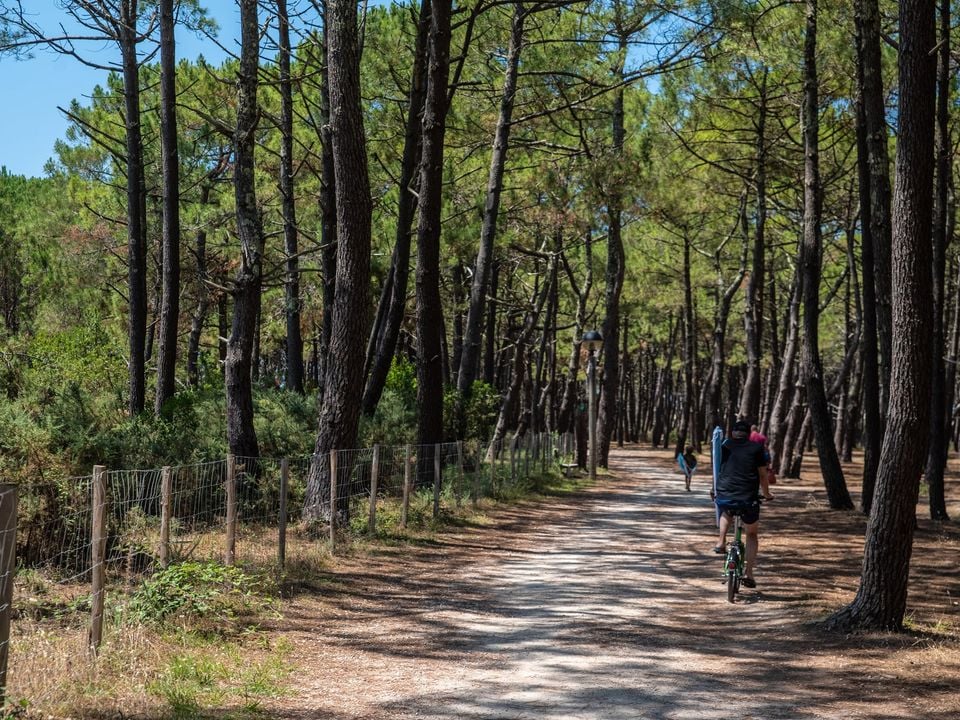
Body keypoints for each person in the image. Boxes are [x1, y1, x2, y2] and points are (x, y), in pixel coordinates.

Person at [711, 419, 773, 589]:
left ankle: (721, 542)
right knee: (751, 533)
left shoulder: (724, 445)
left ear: (733, 433)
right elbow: (762, 475)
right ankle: (749, 573)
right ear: (748, 434)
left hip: (725, 493)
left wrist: (714, 489)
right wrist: (767, 494)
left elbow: (717, 469)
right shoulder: (756, 448)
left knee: (727, 511)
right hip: (747, 497)